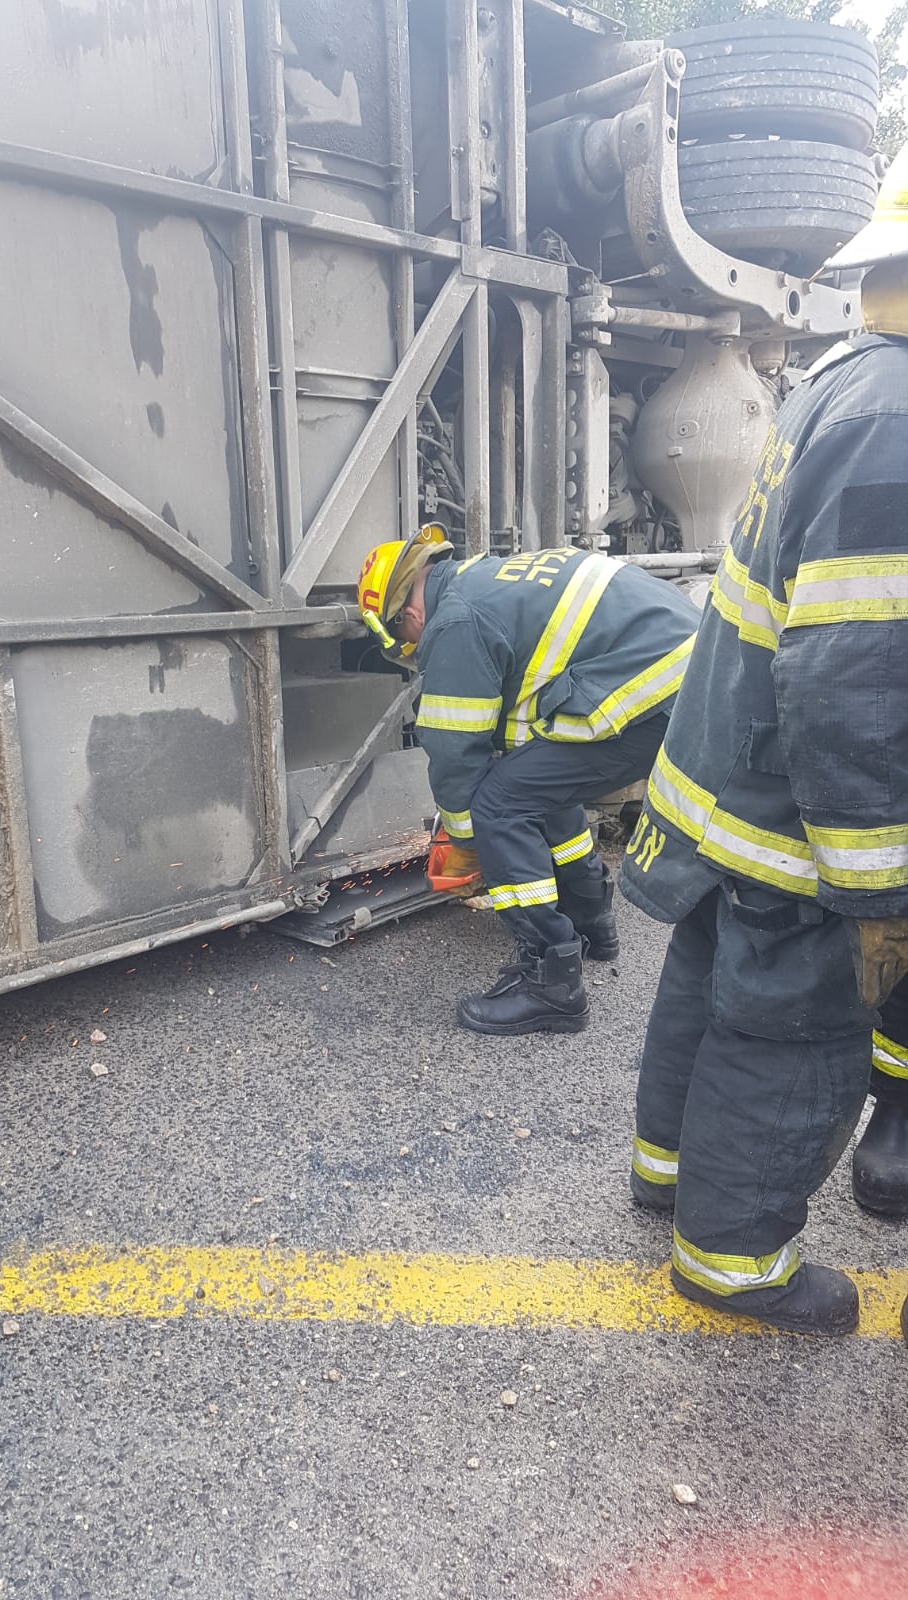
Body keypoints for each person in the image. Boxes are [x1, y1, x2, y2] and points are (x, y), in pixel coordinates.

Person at [621, 145, 908, 1337]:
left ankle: (665, 1174)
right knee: (792, 1029)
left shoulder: (851, 382)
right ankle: (735, 1261)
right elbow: (856, 678)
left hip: (731, 779)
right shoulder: (898, 422)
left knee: (708, 980)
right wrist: (880, 885)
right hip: (806, 814)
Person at [356, 526, 699, 1036]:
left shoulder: (454, 621)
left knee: (499, 804)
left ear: (409, 614)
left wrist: (466, 843)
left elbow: (453, 751)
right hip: (686, 677)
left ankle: (550, 982)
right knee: (533, 781)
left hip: (651, 692)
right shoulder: (483, 580)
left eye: (406, 642)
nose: (413, 648)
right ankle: (592, 925)